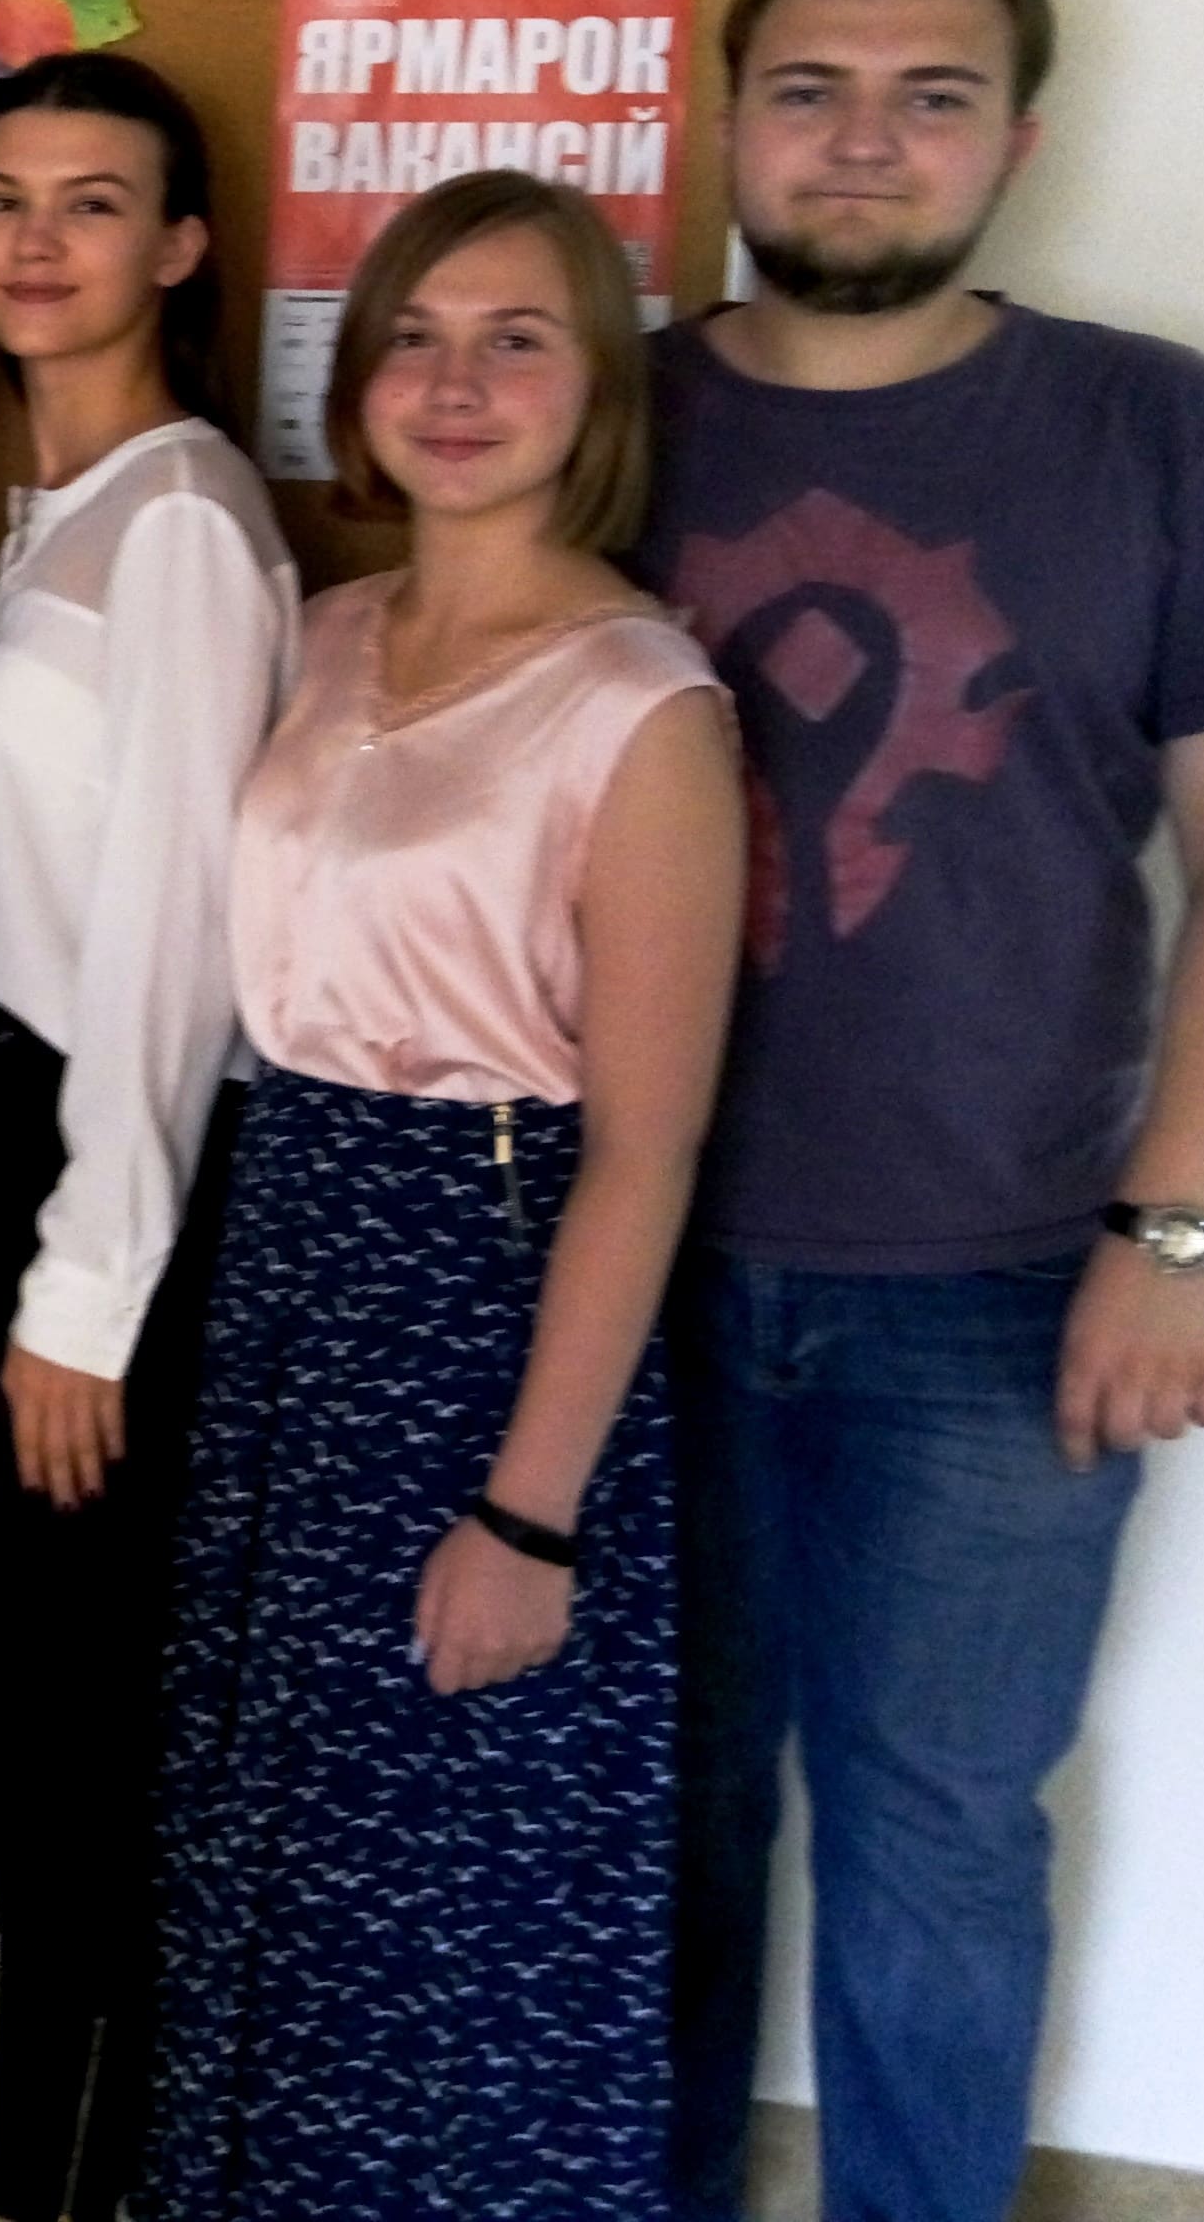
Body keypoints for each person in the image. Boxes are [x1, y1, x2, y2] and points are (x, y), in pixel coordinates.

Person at [646, 0, 1204, 2222]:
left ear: (1018, 140)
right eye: (809, 91)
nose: (863, 144)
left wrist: (1174, 1234)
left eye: (931, 97)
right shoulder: (598, 415)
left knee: (938, 1836)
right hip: (619, 1268)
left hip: (991, 1293)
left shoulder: (1163, 435)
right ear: (730, 117)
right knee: (644, 1822)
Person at [146, 171, 742, 2221]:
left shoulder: (641, 703)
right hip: (291, 1260)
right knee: (279, 1818)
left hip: (481, 1293)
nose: (456, 383)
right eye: (415, 335)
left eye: (517, 341)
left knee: (454, 1853)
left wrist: (530, 1512)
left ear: (597, 393)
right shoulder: (322, 636)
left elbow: (646, 1147)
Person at [0, 55, 294, 2222]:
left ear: (182, 248)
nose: (35, 240)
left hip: (111, 1170)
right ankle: (42, 2180)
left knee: (67, 1730)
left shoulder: (186, 522)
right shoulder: (66, 502)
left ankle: (76, 2192)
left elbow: (175, 940)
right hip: (34, 1135)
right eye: (3, 198)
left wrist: (90, 1283)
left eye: (93, 202)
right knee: (37, 1712)